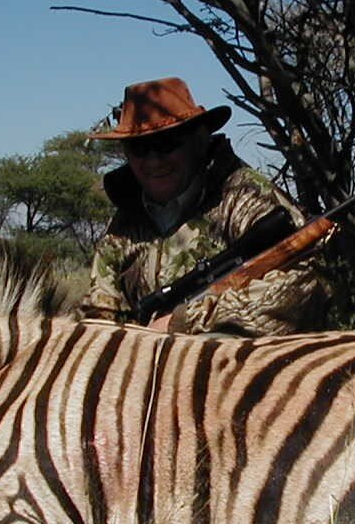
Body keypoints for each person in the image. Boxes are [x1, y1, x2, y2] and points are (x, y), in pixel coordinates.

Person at [78, 76, 324, 336]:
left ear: (199, 138)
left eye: (166, 143)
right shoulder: (125, 222)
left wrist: (184, 321)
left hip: (238, 365)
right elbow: (100, 310)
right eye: (139, 148)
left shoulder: (247, 197)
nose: (153, 160)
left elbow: (301, 285)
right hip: (147, 364)